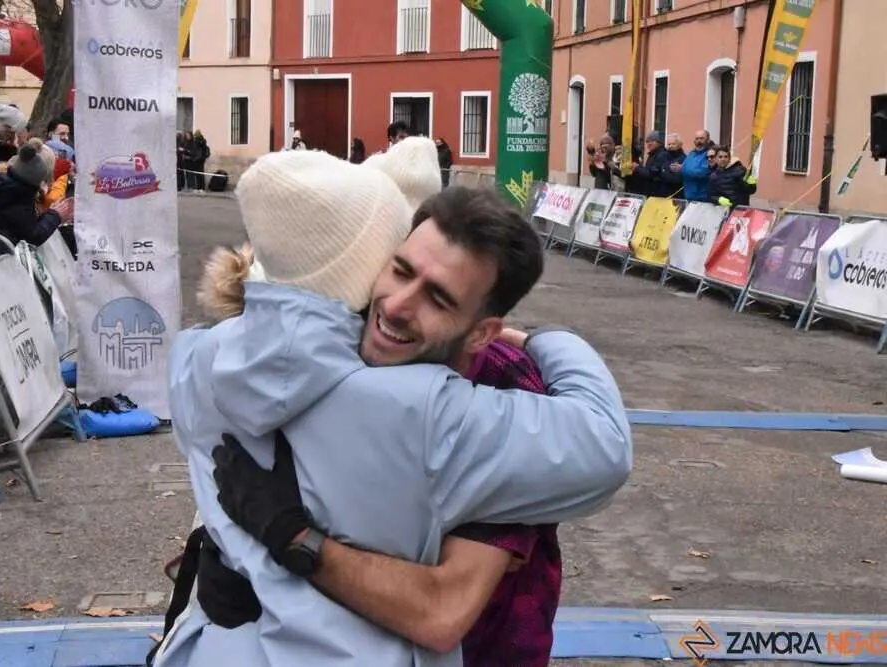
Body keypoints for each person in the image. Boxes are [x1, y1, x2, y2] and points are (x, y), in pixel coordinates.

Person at [153, 151, 632, 667]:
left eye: (439, 299)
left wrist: (288, 540)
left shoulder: (204, 356)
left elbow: (442, 611)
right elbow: (604, 442)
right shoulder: (389, 387)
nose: (400, 304)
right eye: (400, 269)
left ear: (482, 332)